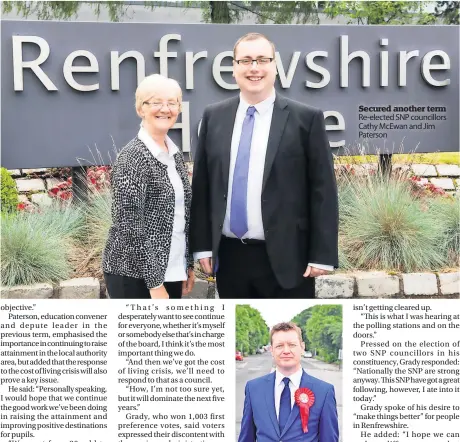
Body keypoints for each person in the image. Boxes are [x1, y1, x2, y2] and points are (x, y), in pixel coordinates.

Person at [190, 33, 338, 299]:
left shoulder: (306, 119)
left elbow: (323, 190)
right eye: (245, 60)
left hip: (289, 257)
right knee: (238, 336)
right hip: (229, 256)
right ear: (234, 68)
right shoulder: (214, 116)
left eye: (262, 59)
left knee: (289, 328)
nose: (254, 67)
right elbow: (203, 186)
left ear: (275, 66)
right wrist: (202, 247)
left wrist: (322, 255)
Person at [102, 74, 194, 299]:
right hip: (133, 275)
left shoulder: (173, 155)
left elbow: (182, 216)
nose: (165, 109)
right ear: (140, 109)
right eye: (156, 102)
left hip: (170, 270)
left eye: (172, 103)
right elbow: (129, 226)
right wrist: (154, 283)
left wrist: (186, 265)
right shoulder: (132, 157)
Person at [238, 322, 339, 442]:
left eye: (292, 345)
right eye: (279, 346)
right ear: (271, 350)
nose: (286, 351)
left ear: (302, 347)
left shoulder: (324, 392)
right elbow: (246, 437)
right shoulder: (253, 389)